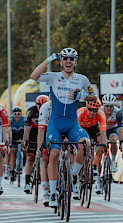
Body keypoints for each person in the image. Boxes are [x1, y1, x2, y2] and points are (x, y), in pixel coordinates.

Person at [31, 47, 97, 207]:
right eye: (65, 58)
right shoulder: (54, 77)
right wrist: (48, 60)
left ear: (75, 62)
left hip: (72, 124)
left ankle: (74, 175)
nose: (68, 61)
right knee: (53, 155)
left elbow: (94, 96)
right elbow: (34, 76)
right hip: (55, 124)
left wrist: (82, 96)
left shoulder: (82, 79)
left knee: (86, 145)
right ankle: (53, 193)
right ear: (61, 62)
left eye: (71, 59)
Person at [77, 99, 107, 195]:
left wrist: (104, 145)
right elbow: (76, 131)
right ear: (86, 107)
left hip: (93, 129)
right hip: (81, 129)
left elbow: (103, 132)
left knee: (101, 142)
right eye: (90, 109)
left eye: (95, 110)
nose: (92, 113)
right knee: (81, 146)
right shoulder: (80, 112)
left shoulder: (101, 115)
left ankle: (94, 164)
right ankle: (76, 179)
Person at [22, 95, 48, 194]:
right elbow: (27, 128)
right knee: (30, 157)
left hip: (44, 132)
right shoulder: (31, 111)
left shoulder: (49, 110)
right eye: (39, 105)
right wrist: (25, 141)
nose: (41, 107)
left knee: (45, 157)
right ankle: (27, 182)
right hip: (33, 133)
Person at [100, 94, 123, 172]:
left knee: (113, 140)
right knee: (101, 142)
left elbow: (120, 129)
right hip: (101, 129)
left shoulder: (117, 112)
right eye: (106, 106)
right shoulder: (100, 111)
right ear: (103, 105)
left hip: (113, 129)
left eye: (111, 106)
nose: (109, 108)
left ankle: (113, 161)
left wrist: (121, 142)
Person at [37, 98, 51, 206]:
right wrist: (39, 147)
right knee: (45, 160)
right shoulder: (45, 108)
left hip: (63, 130)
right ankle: (45, 191)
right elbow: (41, 131)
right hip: (47, 131)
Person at [9, 106, 26, 182]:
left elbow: (26, 131)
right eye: (15, 114)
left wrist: (24, 141)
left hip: (22, 134)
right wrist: (10, 141)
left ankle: (25, 162)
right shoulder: (11, 120)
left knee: (26, 149)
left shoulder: (24, 119)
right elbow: (8, 131)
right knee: (13, 151)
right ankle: (12, 171)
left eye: (18, 114)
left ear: (21, 114)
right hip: (13, 135)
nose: (17, 115)